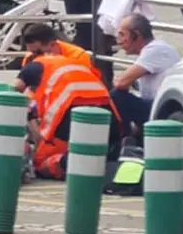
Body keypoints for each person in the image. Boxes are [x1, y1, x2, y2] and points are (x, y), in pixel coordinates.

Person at [13, 52, 121, 180]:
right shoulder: (74, 64)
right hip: (106, 114)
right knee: (100, 149)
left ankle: (69, 163)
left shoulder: (34, 66)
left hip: (70, 113)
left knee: (41, 160)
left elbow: (13, 90)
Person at [111, 14, 181, 137]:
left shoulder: (154, 50)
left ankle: (126, 142)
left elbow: (120, 83)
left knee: (116, 96)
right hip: (159, 105)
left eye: (122, 35)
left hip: (163, 109)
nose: (119, 41)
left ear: (137, 35)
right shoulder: (154, 49)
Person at [19, 23, 97, 76]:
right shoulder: (30, 57)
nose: (36, 57)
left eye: (38, 52)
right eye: (31, 51)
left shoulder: (78, 57)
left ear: (53, 45)